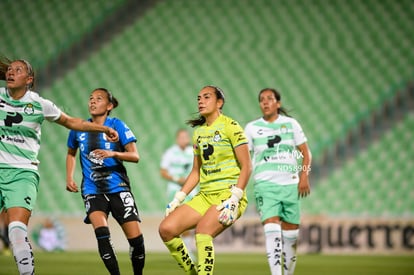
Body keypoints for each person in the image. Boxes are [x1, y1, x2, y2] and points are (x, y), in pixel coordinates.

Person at [0, 56, 118, 275]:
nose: (11, 72)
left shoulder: (39, 104)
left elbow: (72, 122)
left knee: (16, 230)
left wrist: (102, 129)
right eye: (10, 69)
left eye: (18, 70)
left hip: (22, 173)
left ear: (29, 79)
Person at [158, 85, 252, 275]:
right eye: (199, 98)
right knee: (166, 229)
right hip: (205, 196)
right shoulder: (198, 133)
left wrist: (235, 199)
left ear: (219, 102)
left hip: (228, 194)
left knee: (202, 233)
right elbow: (196, 171)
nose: (200, 101)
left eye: (206, 97)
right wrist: (179, 198)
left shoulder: (231, 126)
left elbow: (247, 167)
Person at [66, 88, 145, 275]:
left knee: (136, 242)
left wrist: (113, 153)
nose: (92, 102)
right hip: (92, 189)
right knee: (102, 235)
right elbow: (71, 152)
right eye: (91, 99)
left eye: (98, 99)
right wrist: (69, 176)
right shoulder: (79, 129)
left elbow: (135, 156)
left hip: (118, 187)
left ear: (109, 106)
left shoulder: (117, 125)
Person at [244, 88, 311, 275]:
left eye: (269, 99)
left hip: (290, 184)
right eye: (261, 99)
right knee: (271, 229)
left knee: (291, 236)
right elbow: (244, 158)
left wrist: (304, 175)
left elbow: (306, 153)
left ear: (278, 103)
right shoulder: (251, 128)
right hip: (265, 185)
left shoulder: (291, 124)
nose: (265, 102)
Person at [160, 128, 197, 256]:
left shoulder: (192, 152)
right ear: (177, 139)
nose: (183, 139)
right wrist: (177, 179)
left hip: (191, 190)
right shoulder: (170, 153)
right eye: (181, 137)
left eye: (185, 137)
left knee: (190, 221)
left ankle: (187, 249)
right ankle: (188, 252)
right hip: (175, 190)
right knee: (182, 220)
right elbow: (163, 172)